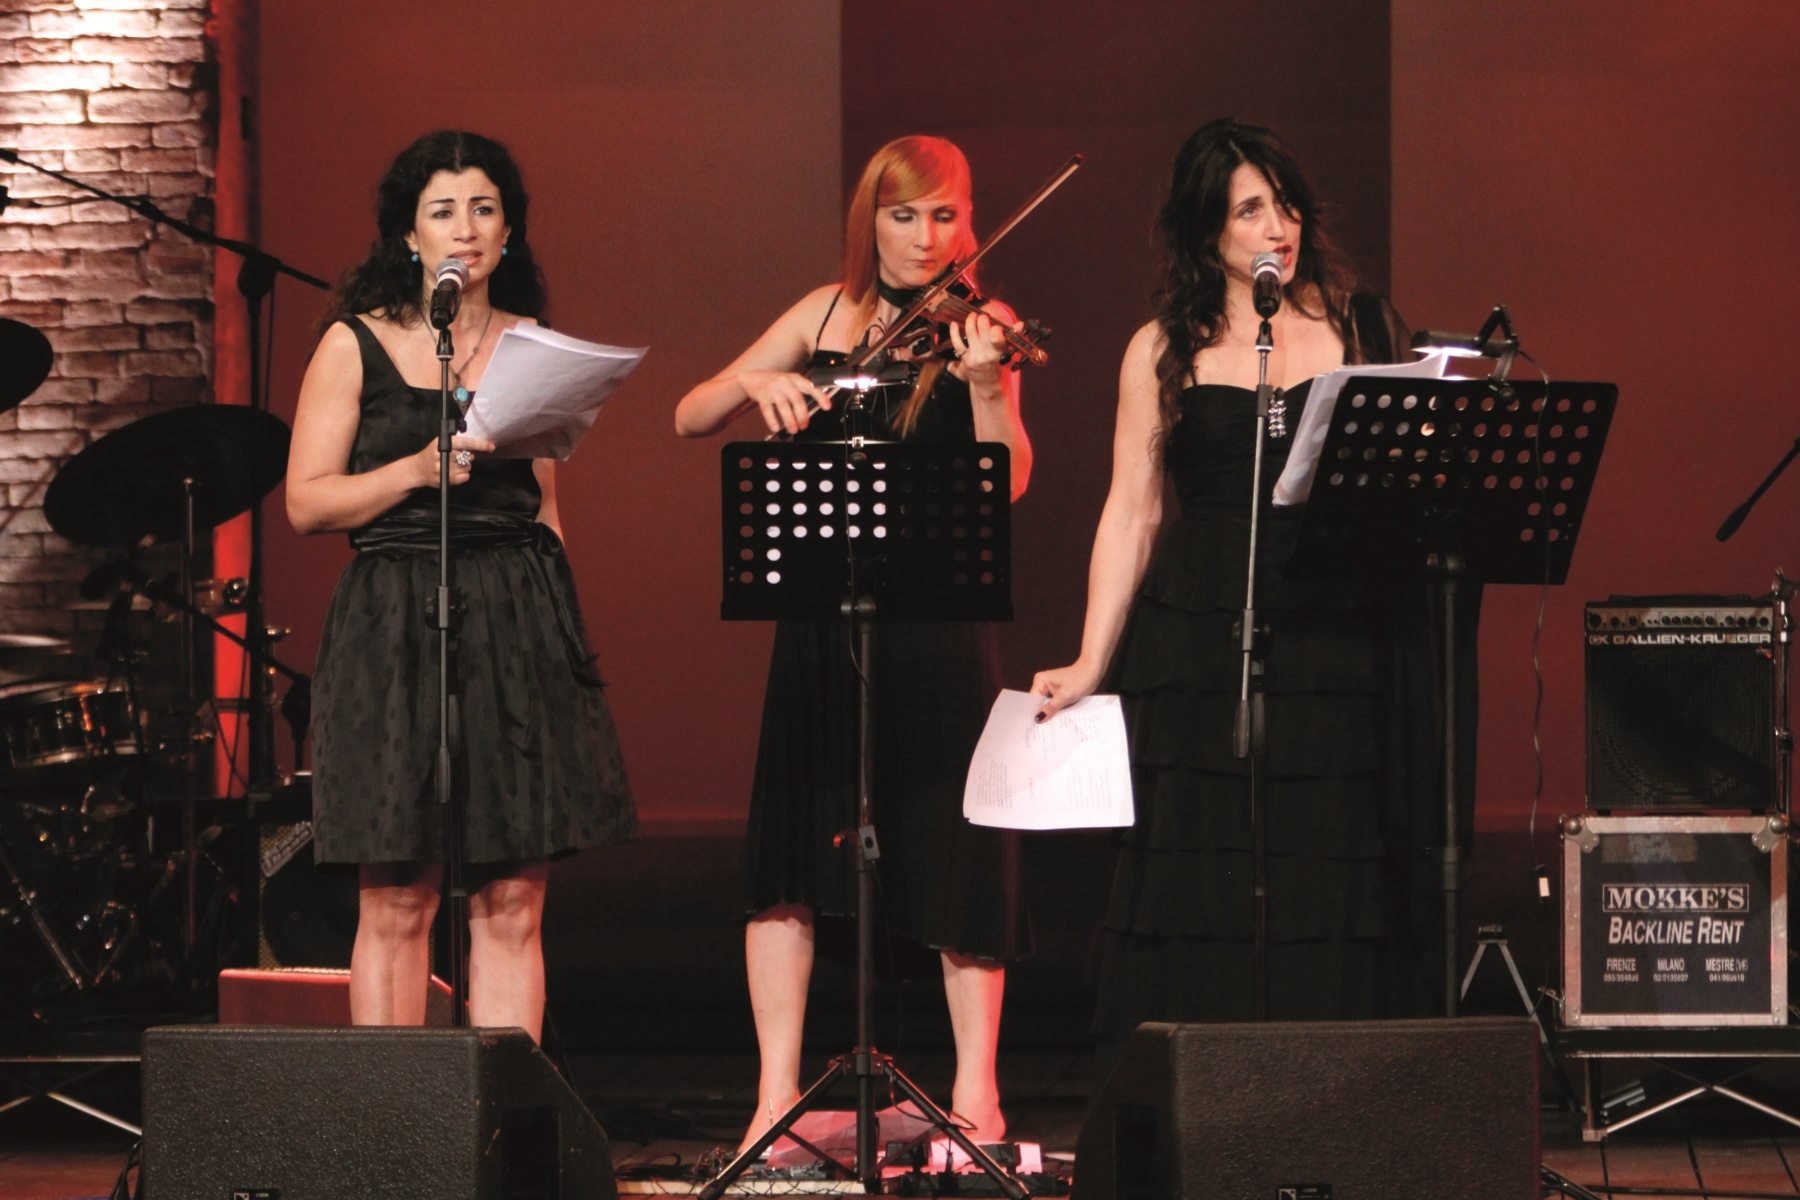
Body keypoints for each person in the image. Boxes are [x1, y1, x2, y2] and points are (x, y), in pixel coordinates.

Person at [1031, 118, 1471, 1042]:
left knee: (1328, 844)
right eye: (1250, 209)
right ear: (1206, 230)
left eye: (1287, 205)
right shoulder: (1162, 346)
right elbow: (1133, 509)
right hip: (1202, 630)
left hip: (1335, 625)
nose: (1279, 227)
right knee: (1207, 850)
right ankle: (1209, 1090)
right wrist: (1090, 659)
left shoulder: (1363, 326)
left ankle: (1332, 1087)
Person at [675, 135, 1032, 1151]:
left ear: (967, 222)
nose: (924, 237)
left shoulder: (986, 326)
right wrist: (758, 380)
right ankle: (773, 1098)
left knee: (958, 844)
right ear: (869, 219)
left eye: (944, 215)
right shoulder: (822, 314)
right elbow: (690, 413)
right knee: (794, 852)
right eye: (903, 215)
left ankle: (978, 1097)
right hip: (823, 622)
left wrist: (987, 387)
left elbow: (1007, 482)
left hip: (941, 621)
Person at [286, 130, 634, 1041]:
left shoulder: (534, 345)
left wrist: (558, 638)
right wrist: (415, 470)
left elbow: (545, 508)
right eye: (443, 211)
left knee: (511, 897)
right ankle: (395, 1118)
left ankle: (500, 1111)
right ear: (409, 235)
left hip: (514, 613)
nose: (466, 228)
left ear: (509, 231)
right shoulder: (354, 342)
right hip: (395, 614)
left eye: (484, 209)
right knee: (398, 892)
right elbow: (307, 502)